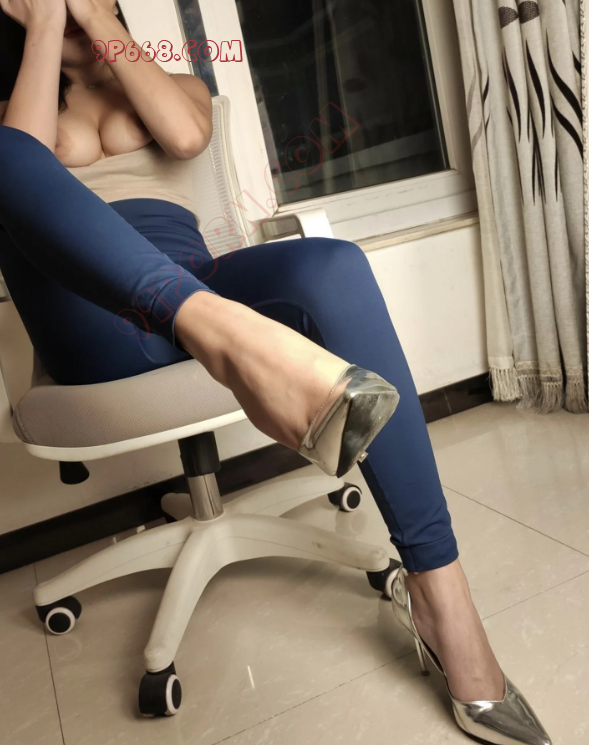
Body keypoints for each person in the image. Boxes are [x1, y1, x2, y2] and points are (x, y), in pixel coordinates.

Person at [0, 2, 550, 743]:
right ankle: (223, 334)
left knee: (332, 266)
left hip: (197, 281)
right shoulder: (16, 112)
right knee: (4, 157)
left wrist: (101, 24)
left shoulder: (163, 78)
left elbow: (186, 134)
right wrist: (41, 27)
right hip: (95, 320)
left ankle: (442, 597)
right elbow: (22, 159)